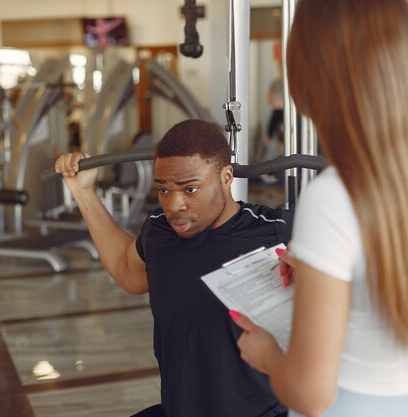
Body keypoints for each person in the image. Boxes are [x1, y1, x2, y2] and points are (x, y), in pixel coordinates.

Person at [230, 1, 408, 417]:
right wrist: (324, 270)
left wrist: (268, 355)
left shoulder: (335, 196)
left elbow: (312, 395)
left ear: (314, 76)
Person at [54, 119, 289, 417]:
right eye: (163, 190)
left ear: (226, 177)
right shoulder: (159, 231)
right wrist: (84, 193)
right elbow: (128, 272)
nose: (174, 205)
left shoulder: (275, 232)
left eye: (190, 189)